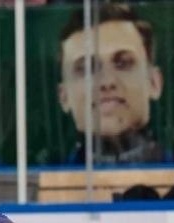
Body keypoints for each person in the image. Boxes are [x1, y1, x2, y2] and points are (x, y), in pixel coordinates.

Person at [57, 3, 167, 165]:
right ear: (64, 97)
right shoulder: (39, 175)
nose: (106, 81)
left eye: (123, 63)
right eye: (86, 68)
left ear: (154, 83)